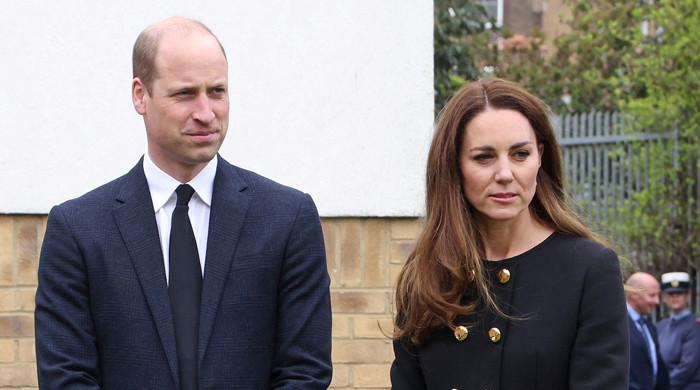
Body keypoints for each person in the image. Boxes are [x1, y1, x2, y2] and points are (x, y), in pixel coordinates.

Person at [34, 17, 332, 389]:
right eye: (185, 93)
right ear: (140, 95)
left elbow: (305, 372)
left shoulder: (287, 219)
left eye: (217, 91)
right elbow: (66, 376)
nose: (206, 113)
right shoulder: (78, 230)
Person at [390, 78, 629, 389]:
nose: (505, 174)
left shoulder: (589, 269)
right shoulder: (426, 273)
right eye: (484, 157)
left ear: (540, 156)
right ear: (454, 165)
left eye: (520, 154)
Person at [626, 272, 670, 390]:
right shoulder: (616, 324)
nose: (657, 301)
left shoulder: (648, 326)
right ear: (633, 294)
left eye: (658, 295)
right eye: (652, 295)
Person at [657, 272, 700, 390]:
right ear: (664, 297)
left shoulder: (695, 326)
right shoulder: (661, 326)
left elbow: (688, 366)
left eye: (679, 293)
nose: (674, 297)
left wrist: (662, 386)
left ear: (687, 296)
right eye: (670, 294)